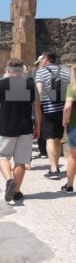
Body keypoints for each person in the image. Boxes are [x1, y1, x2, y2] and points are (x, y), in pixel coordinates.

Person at [0, 59, 41, 202]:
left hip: (6, 127)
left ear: (8, 70)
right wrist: (38, 126)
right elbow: (37, 108)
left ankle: (9, 180)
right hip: (25, 127)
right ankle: (16, 191)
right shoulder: (30, 85)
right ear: (22, 70)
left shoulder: (1, 85)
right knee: (21, 161)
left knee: (3, 156)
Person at [35, 50, 70, 179]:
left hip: (48, 110)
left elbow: (38, 92)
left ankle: (54, 169)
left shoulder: (41, 72)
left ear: (45, 58)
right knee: (57, 138)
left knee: (49, 138)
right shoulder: (66, 71)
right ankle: (56, 165)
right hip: (63, 109)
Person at [61, 63, 76, 193]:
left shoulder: (72, 87)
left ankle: (69, 185)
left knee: (72, 156)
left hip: (75, 125)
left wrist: (64, 121)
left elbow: (67, 107)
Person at [33, 55, 48, 159]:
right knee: (41, 126)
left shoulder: (36, 73)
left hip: (41, 103)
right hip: (45, 103)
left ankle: (43, 151)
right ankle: (43, 150)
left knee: (41, 126)